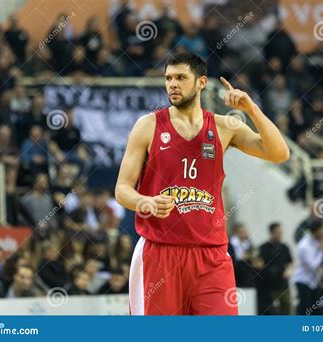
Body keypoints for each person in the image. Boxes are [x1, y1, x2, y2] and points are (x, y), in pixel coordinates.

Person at [115, 52, 289, 315]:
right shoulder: (148, 126)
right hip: (161, 253)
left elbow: (279, 153)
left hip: (211, 255)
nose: (172, 84)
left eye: (181, 78)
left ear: (201, 82)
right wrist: (145, 201)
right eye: (168, 78)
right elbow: (121, 189)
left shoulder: (223, 126)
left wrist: (251, 109)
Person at [291, 220, 323, 315]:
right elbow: (313, 265)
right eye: (322, 230)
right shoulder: (304, 245)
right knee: (304, 308)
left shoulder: (316, 242)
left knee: (314, 308)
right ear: (317, 231)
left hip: (313, 281)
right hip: (303, 280)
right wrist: (321, 250)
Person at [256, 222, 293, 315]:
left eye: (281, 232)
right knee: (272, 311)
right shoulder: (263, 248)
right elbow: (258, 264)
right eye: (277, 232)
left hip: (283, 284)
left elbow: (290, 262)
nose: (279, 235)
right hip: (269, 286)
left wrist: (289, 271)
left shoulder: (284, 247)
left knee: (287, 307)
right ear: (271, 233)